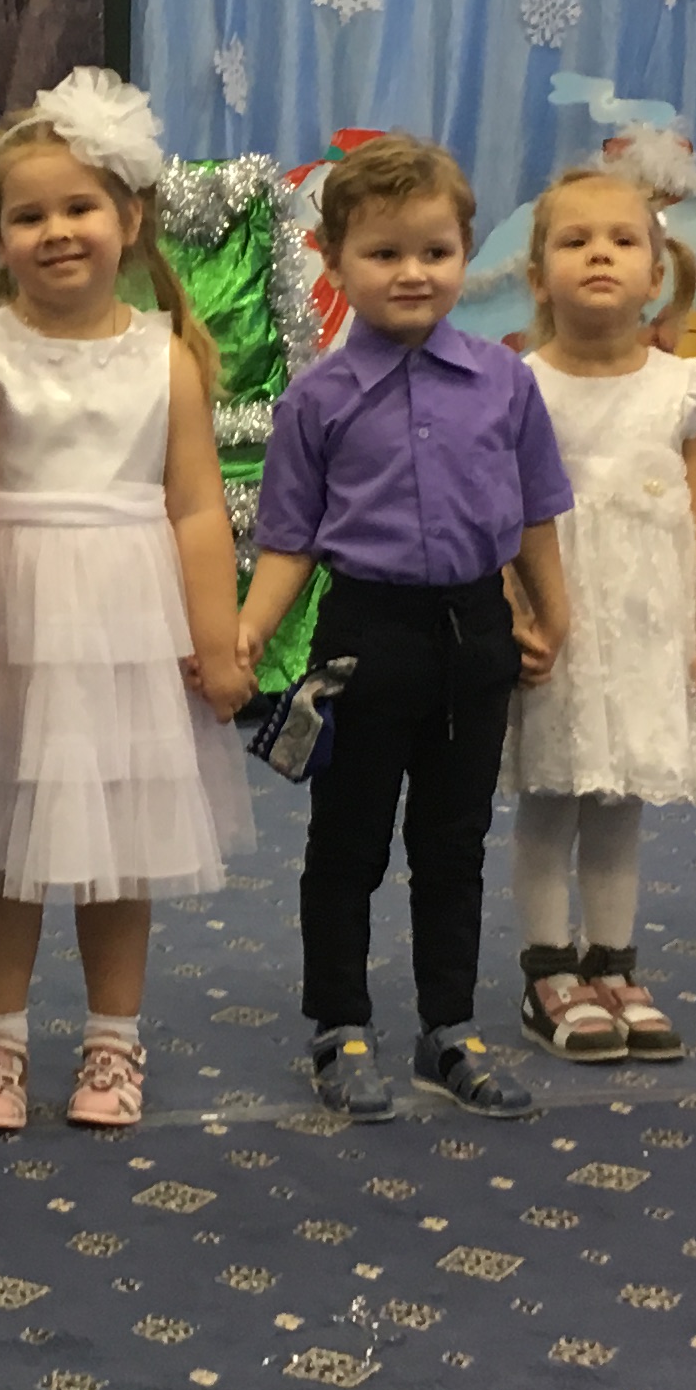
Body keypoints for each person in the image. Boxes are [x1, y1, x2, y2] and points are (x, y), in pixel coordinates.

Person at [0, 72, 247, 1137]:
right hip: (13, 621)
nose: (56, 232)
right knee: (5, 846)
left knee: (121, 844)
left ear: (129, 219)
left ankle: (113, 1038)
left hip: (128, 628)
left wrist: (218, 638)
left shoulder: (167, 358)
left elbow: (196, 507)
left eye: (79, 208)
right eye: (29, 216)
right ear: (0, 238)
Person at [235, 134, 572, 1125]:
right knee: (347, 844)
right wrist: (248, 633)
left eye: (435, 251)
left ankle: (449, 1026)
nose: (412, 272)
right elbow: (291, 541)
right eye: (384, 253)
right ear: (335, 262)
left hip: (476, 633)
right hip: (363, 635)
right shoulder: (317, 399)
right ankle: (340, 1023)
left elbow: (535, 513)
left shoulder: (506, 382)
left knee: (453, 841)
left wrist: (553, 614)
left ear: (466, 252)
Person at [503, 166, 696, 1063]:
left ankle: (612, 964)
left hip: (647, 620)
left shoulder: (685, 389)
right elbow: (499, 517)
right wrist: (515, 611)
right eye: (574, 241)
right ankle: (548, 973)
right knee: (553, 790)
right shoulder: (518, 387)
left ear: (656, 273)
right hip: (559, 621)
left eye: (621, 240)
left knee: (619, 796)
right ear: (538, 277)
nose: (599, 255)